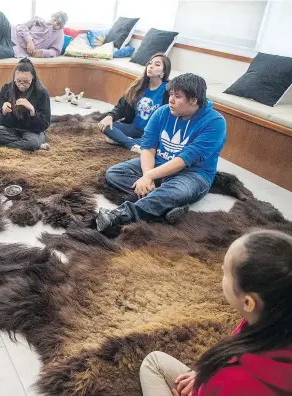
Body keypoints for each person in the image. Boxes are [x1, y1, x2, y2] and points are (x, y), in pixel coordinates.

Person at [139, 229, 292, 396]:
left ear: (248, 303)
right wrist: (200, 377)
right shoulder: (272, 316)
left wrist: (204, 387)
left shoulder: (229, 381)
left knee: (153, 363)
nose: (221, 268)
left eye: (226, 271)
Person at [96, 73, 226, 233]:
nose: (170, 100)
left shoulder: (215, 122)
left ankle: (120, 216)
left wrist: (150, 177)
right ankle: (164, 205)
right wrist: (147, 174)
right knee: (115, 173)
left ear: (194, 100)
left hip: (193, 174)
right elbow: (148, 147)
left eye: (177, 96)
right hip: (159, 163)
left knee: (177, 191)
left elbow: (185, 159)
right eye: (170, 94)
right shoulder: (162, 112)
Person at [98, 53, 171, 153]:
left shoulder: (168, 91)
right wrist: (110, 116)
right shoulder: (139, 87)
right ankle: (132, 144)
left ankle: (122, 140)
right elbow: (121, 107)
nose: (151, 66)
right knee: (105, 126)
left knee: (158, 142)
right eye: (150, 63)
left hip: (152, 133)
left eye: (157, 64)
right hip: (135, 128)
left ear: (164, 71)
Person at [0, 58, 51, 151]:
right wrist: (4, 112)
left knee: (31, 142)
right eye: (18, 81)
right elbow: (2, 122)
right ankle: (35, 146)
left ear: (33, 78)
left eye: (26, 81)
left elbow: (44, 124)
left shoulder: (42, 92)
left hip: (32, 131)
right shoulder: (6, 89)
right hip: (12, 129)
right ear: (14, 78)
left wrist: (32, 111)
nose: (22, 84)